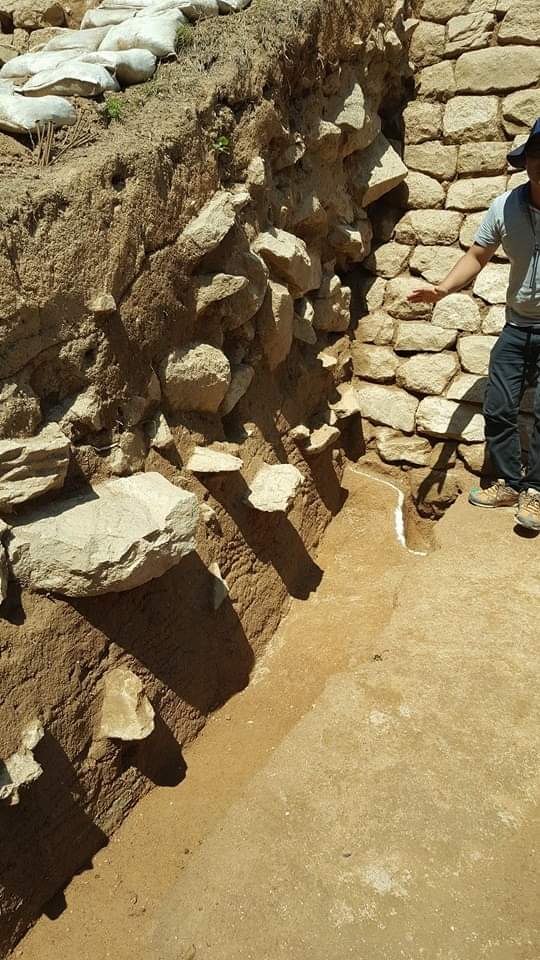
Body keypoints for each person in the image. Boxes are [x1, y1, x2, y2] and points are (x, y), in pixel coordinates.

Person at [408, 117, 540, 531]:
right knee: (498, 406)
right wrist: (443, 289)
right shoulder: (504, 207)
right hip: (517, 326)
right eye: (537, 154)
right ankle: (509, 484)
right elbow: (477, 256)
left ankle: (537, 492)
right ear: (527, 161)